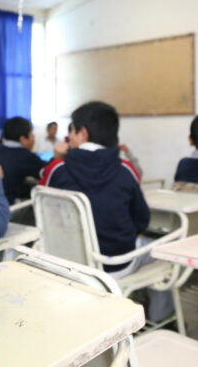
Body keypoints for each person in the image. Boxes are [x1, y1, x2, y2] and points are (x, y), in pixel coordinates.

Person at [39, 101, 149, 272]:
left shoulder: (57, 169)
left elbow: (42, 210)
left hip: (69, 264)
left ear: (83, 133)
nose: (69, 137)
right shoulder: (126, 169)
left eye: (72, 131)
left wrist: (56, 158)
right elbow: (142, 219)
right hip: (118, 264)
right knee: (157, 248)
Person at [0, 117, 46, 204]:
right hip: (9, 206)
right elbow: (48, 172)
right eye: (31, 133)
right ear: (22, 139)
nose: (33, 136)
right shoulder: (24, 156)